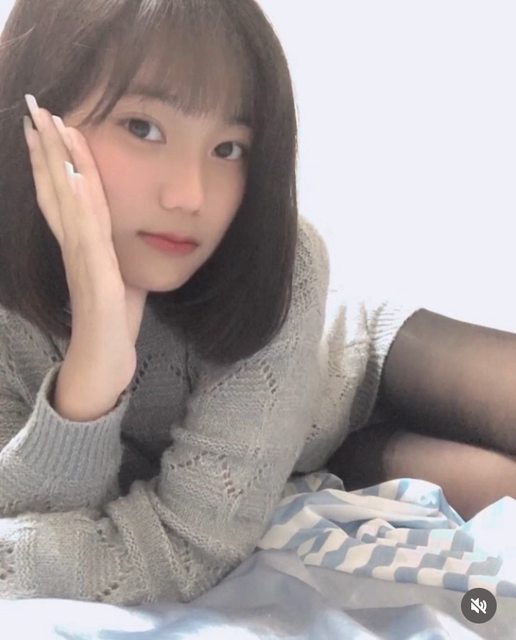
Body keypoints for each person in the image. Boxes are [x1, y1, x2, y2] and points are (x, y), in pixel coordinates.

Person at [0, 0, 514, 606]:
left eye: (228, 148)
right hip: (317, 457)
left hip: (353, 364)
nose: (190, 195)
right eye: (143, 127)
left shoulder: (284, 262)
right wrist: (93, 369)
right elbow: (168, 546)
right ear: (36, 119)